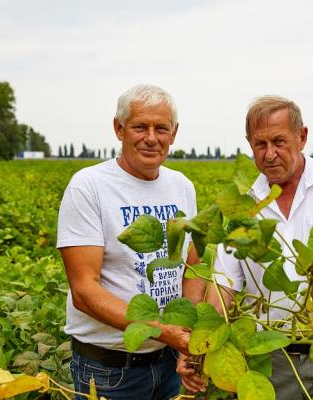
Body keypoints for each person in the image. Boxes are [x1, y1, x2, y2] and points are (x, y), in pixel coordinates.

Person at [178, 96, 313, 400]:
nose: (269, 154)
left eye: (279, 141)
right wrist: (198, 347)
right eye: (259, 144)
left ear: (302, 136)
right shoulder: (242, 205)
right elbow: (222, 290)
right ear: (249, 144)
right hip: (269, 359)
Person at [57, 84, 200, 400]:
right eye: (140, 126)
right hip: (110, 368)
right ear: (119, 129)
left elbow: (192, 266)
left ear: (173, 133)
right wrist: (165, 332)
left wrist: (185, 337)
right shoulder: (89, 187)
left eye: (161, 128)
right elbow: (84, 290)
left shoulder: (182, 187)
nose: (151, 137)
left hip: (169, 361)